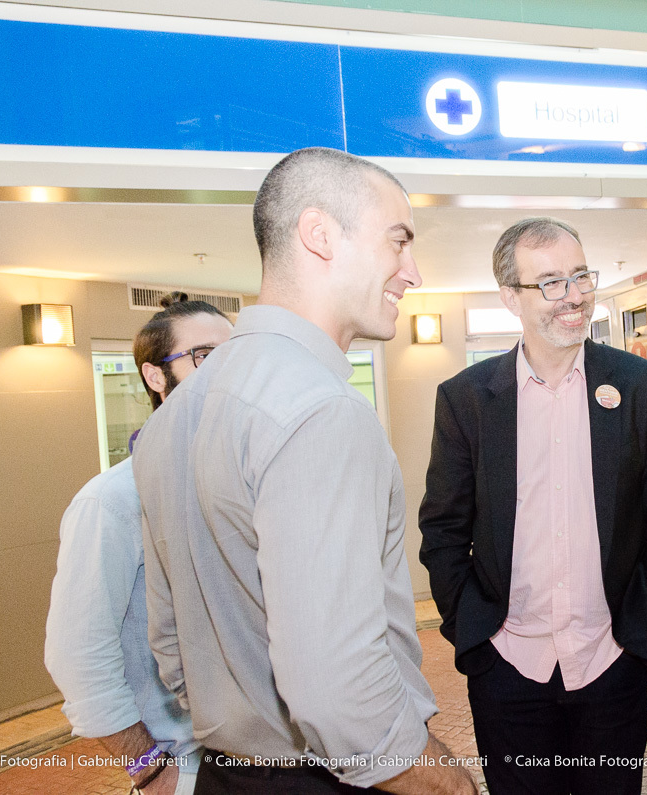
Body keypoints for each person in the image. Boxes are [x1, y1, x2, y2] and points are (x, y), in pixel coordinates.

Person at [133, 147, 476, 795]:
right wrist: (444, 781)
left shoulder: (173, 417)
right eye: (398, 240)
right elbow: (335, 688)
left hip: (227, 774)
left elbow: (170, 643)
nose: (413, 271)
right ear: (319, 234)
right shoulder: (320, 410)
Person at [419, 217, 647, 794]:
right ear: (510, 298)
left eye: (580, 276)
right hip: (508, 669)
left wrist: (639, 634)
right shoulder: (467, 399)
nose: (573, 296)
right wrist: (477, 639)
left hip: (610, 663)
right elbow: (443, 530)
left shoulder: (640, 386)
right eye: (550, 283)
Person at [45, 293, 232, 794]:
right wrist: (151, 769)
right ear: (155, 377)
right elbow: (78, 654)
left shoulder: (240, 485)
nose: (227, 372)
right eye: (204, 356)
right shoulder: (112, 501)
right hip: (188, 769)